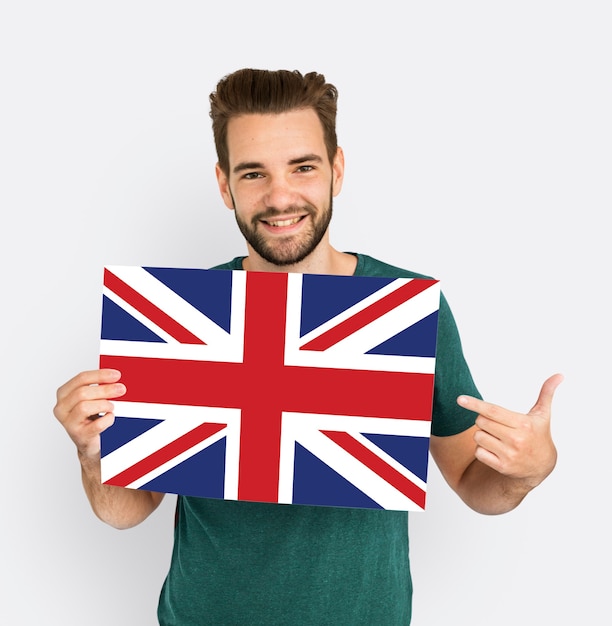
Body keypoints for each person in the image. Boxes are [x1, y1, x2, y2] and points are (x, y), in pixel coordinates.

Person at [54, 68, 563, 625]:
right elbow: (127, 511)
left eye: (302, 166)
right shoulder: (179, 320)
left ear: (336, 170)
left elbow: (473, 484)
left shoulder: (405, 313)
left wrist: (527, 470)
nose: (280, 197)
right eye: (254, 174)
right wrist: (91, 452)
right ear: (224, 185)